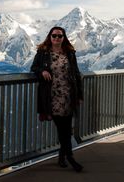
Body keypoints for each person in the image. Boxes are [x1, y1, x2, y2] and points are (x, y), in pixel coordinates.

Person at [30, 26, 84, 172]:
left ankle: (62, 157)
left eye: (60, 36)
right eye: (54, 36)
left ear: (64, 37)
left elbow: (76, 74)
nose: (57, 38)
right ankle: (71, 158)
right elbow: (33, 67)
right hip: (52, 97)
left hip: (68, 95)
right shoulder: (42, 52)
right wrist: (42, 70)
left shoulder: (70, 53)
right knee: (62, 129)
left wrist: (79, 95)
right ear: (50, 37)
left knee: (66, 128)